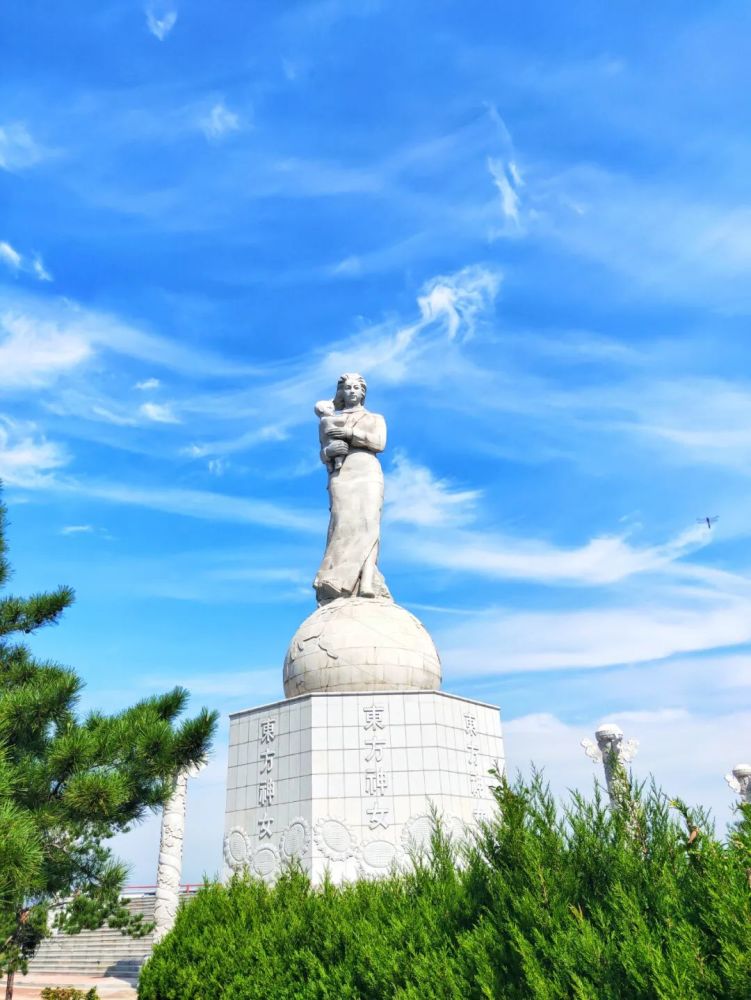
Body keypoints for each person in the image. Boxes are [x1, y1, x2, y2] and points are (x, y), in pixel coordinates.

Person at [313, 373, 391, 604]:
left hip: (367, 470)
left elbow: (379, 443)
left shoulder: (375, 418)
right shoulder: (329, 421)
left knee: (369, 523)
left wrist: (349, 434)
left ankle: (366, 581)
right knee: (343, 524)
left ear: (363, 392)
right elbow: (323, 452)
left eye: (357, 387)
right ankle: (339, 581)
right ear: (341, 392)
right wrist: (330, 451)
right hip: (342, 474)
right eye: (347, 388)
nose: (352, 391)